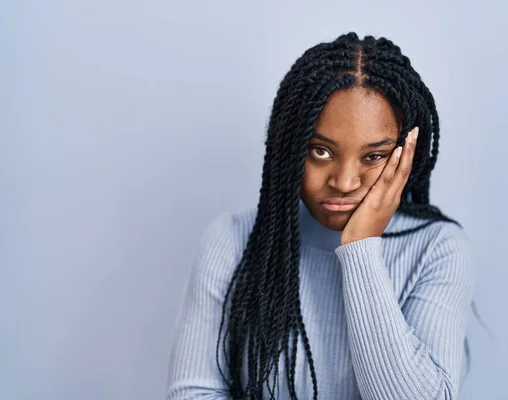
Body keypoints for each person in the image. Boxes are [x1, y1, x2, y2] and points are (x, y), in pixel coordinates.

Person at [166, 32, 475, 400]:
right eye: (321, 151)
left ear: (406, 155)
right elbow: (193, 394)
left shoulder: (437, 250)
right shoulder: (232, 239)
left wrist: (362, 250)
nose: (344, 182)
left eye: (373, 156)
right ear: (289, 145)